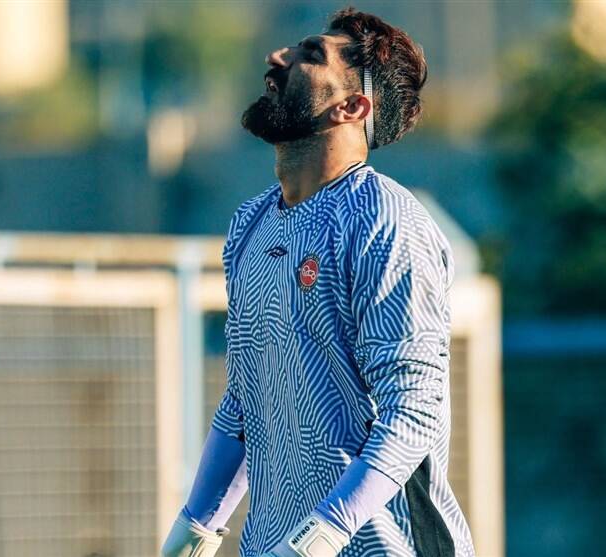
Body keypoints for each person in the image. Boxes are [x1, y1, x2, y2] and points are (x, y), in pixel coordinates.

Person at [162, 6, 476, 557]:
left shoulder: (386, 220)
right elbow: (245, 403)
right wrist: (193, 532)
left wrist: (321, 537)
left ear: (351, 107)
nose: (276, 59)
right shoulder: (252, 223)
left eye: (310, 54)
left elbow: (414, 411)